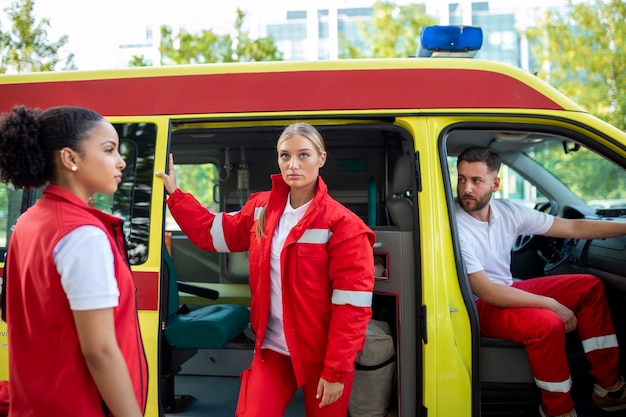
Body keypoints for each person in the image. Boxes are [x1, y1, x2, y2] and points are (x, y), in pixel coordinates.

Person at [156, 122, 375, 417]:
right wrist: (175, 193)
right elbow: (210, 232)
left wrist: (336, 371)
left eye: (304, 155)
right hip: (272, 352)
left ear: (322, 158)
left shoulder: (345, 226)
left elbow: (351, 308)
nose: (293, 164)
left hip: (323, 356)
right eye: (285, 156)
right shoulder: (261, 208)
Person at [455, 145, 626, 417]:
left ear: (495, 183)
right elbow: (485, 290)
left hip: (506, 290)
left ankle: (608, 387)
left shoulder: (509, 212)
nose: (466, 189)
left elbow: (571, 227)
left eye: (476, 181)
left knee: (589, 286)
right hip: (475, 305)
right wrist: (551, 304)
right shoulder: (455, 224)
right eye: (461, 179)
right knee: (547, 323)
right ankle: (557, 410)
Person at [0, 105, 148, 417]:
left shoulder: (30, 221)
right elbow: (100, 352)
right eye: (109, 150)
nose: (121, 161)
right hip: (79, 406)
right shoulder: (82, 235)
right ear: (70, 159)